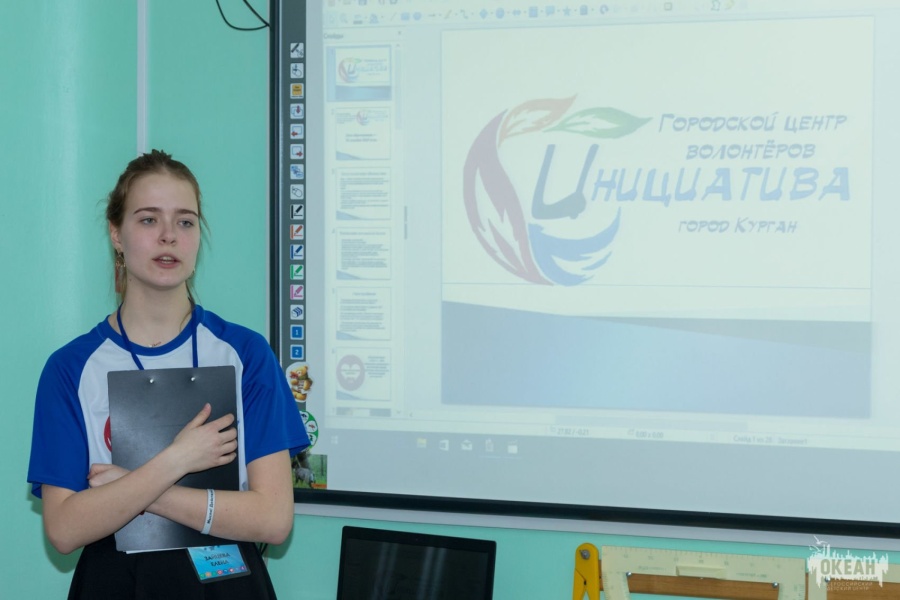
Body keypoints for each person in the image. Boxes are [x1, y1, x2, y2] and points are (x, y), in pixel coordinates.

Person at [27, 150, 309, 599]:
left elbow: (274, 520)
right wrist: (177, 460)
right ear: (116, 234)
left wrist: (133, 489)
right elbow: (64, 529)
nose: (168, 236)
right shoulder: (71, 367)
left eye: (185, 222)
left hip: (225, 582)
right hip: (114, 583)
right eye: (148, 220)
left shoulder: (246, 353)